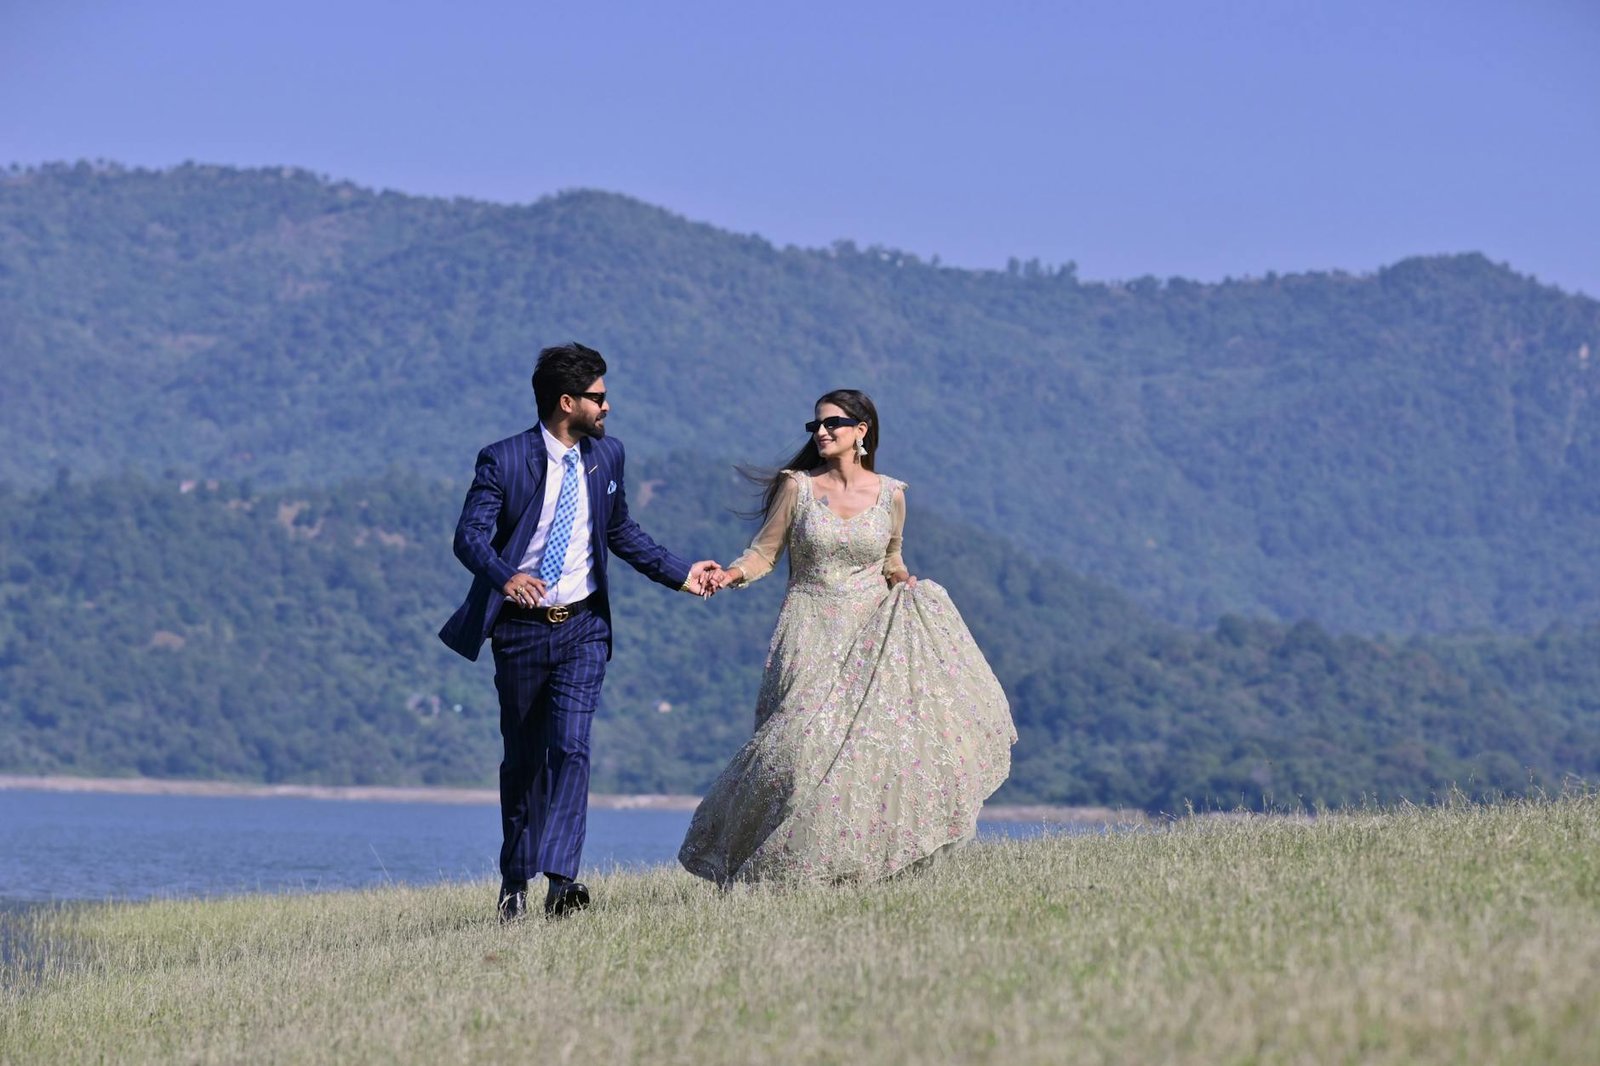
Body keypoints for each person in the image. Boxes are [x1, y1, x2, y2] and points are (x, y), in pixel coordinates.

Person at [678, 389, 1016, 885]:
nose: (821, 432)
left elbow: (892, 561)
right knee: (794, 751)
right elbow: (764, 554)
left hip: (871, 635)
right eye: (815, 425)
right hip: (807, 627)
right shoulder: (797, 487)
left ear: (862, 431)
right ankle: (765, 865)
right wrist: (730, 575)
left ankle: (853, 870)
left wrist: (907, 586)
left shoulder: (892, 495)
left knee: (870, 755)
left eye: (833, 424)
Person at [440, 341, 719, 921]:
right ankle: (515, 881)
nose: (608, 406)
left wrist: (680, 574)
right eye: (598, 396)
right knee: (523, 761)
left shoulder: (607, 457)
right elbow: (469, 537)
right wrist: (505, 575)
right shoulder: (503, 459)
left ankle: (562, 882)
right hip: (518, 631)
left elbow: (621, 531)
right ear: (567, 401)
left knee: (571, 747)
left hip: (584, 627)